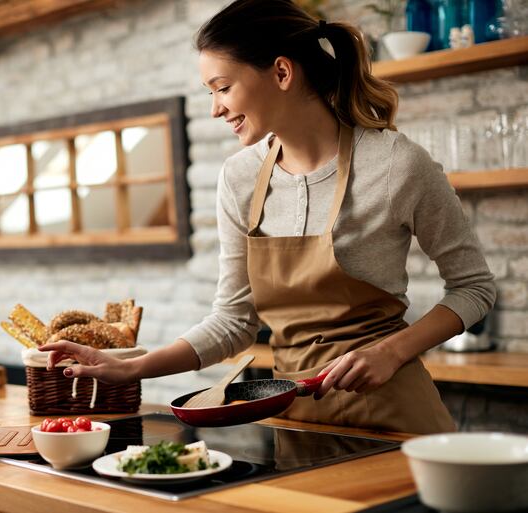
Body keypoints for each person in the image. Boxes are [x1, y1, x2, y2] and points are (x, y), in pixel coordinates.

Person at [39, 0, 496, 434]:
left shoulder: (396, 164)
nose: (215, 107)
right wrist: (133, 366)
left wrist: (392, 351)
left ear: (281, 72)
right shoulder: (240, 178)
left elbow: (475, 287)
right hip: (295, 420)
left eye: (222, 88)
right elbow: (234, 322)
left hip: (395, 416)